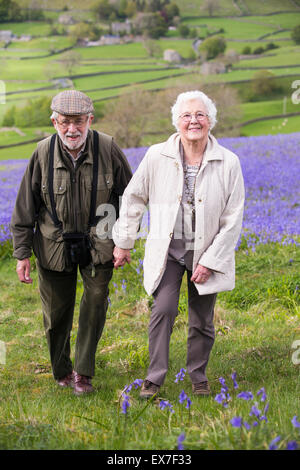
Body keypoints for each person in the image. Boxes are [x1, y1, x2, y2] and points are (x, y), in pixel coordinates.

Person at [112, 90, 245, 398]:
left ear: (210, 120)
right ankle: (154, 378)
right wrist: (124, 241)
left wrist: (210, 261)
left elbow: (232, 218)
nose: (193, 121)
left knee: (201, 318)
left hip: (206, 250)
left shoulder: (228, 162)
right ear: (177, 122)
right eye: (186, 115)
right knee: (164, 309)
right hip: (168, 249)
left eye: (199, 115)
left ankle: (198, 377)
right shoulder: (158, 155)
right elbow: (133, 198)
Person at [11, 90, 132, 395]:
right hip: (53, 247)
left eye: (78, 121)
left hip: (100, 242)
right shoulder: (41, 153)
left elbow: (131, 198)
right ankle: (62, 369)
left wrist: (124, 240)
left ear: (90, 119)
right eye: (65, 122)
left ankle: (84, 373)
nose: (72, 129)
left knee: (94, 306)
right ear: (54, 122)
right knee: (56, 315)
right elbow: (25, 206)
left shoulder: (107, 147)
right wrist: (21, 253)